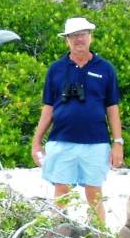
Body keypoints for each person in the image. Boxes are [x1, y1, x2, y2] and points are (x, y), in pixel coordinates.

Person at [31, 17, 123, 223]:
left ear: (90, 36)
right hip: (61, 140)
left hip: (96, 142)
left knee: (94, 192)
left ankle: (99, 237)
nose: (78, 39)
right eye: (73, 36)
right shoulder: (56, 69)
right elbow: (48, 108)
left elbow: (112, 107)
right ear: (67, 40)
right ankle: (58, 231)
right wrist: (36, 141)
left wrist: (118, 142)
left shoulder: (105, 68)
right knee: (61, 189)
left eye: (82, 34)